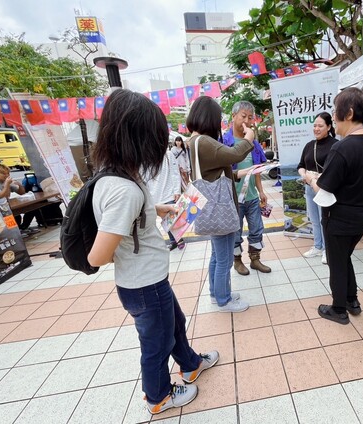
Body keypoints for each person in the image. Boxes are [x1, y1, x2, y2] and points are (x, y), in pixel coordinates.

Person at [87, 89, 219, 415]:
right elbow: (98, 257)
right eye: (156, 137)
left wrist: (159, 209)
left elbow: (134, 214)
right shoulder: (122, 190)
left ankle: (189, 364)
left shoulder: (118, 175)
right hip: (142, 284)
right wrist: (118, 232)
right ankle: (157, 396)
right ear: (137, 137)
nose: (161, 145)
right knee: (156, 344)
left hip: (149, 280)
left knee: (175, 324)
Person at [308, 88, 363, 325]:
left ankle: (338, 308)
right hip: (362, 215)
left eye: (335, 112)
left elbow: (325, 189)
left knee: (336, 261)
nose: (334, 118)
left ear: (348, 113)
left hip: (339, 217)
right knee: (344, 257)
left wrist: (310, 179)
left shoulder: (342, 148)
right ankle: (352, 300)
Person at [186, 96, 255, 313]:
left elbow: (213, 172)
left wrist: (235, 175)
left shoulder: (194, 141)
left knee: (217, 256)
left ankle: (216, 294)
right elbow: (234, 154)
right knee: (224, 258)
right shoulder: (204, 141)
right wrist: (249, 138)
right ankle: (224, 300)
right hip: (220, 208)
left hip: (211, 206)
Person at [222, 101, 271, 275]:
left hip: (251, 197)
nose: (247, 121)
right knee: (235, 232)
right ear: (233, 116)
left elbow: (257, 170)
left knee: (257, 229)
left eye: (250, 118)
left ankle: (255, 259)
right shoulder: (224, 142)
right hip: (233, 199)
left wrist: (261, 191)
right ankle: (237, 261)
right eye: (243, 116)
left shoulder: (254, 143)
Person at [297, 112, 337, 265]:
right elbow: (301, 165)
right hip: (309, 188)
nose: (316, 128)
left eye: (320, 126)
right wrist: (305, 174)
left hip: (324, 188)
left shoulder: (335, 145)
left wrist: (317, 177)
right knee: (314, 219)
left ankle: (328, 250)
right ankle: (318, 246)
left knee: (324, 220)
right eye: (314, 125)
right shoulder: (309, 145)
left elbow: (335, 169)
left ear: (328, 127)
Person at [145, 149, 186, 250]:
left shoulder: (167, 154)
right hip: (154, 194)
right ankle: (174, 240)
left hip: (169, 192)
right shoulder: (145, 155)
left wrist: (177, 190)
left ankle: (177, 239)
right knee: (165, 220)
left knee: (171, 218)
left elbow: (175, 172)